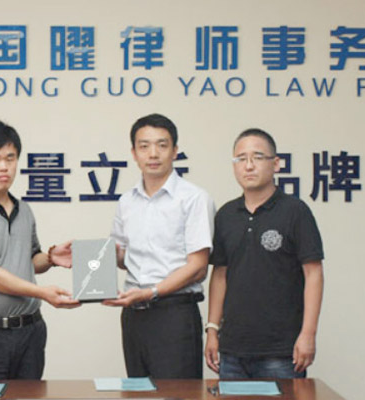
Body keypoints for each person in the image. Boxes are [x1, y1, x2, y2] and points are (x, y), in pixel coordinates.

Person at [0, 119, 79, 380]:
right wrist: (42, 293)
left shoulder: (24, 209)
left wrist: (50, 258)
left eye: (10, 158)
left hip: (31, 332)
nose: (4, 167)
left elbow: (29, 261)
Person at [204, 128, 324, 379]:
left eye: (257, 157)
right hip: (232, 351)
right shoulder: (226, 215)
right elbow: (220, 275)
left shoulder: (295, 211)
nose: (248, 166)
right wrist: (212, 330)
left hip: (281, 351)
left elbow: (313, 274)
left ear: (276, 164)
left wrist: (308, 334)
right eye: (241, 159)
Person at [104, 113, 215, 379]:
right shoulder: (127, 201)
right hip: (133, 315)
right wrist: (90, 256)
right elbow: (123, 257)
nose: (153, 154)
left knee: (178, 394)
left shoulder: (194, 198)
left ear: (175, 151)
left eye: (162, 145)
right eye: (144, 146)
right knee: (139, 392)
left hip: (174, 314)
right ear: (134, 153)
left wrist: (151, 292)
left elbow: (198, 266)